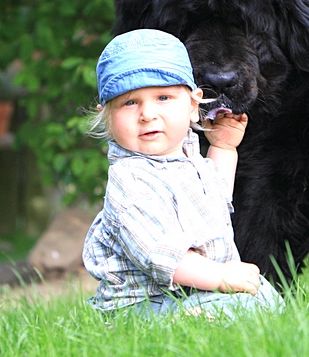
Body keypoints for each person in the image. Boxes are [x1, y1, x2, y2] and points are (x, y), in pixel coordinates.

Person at [82, 29, 283, 319]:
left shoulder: (188, 162)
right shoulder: (130, 180)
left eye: (163, 97)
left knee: (266, 296)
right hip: (146, 303)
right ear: (107, 118)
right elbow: (160, 255)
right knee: (241, 306)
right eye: (129, 103)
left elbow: (217, 201)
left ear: (192, 105)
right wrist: (219, 276)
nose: (147, 114)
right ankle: (165, 327)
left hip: (193, 290)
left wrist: (224, 148)